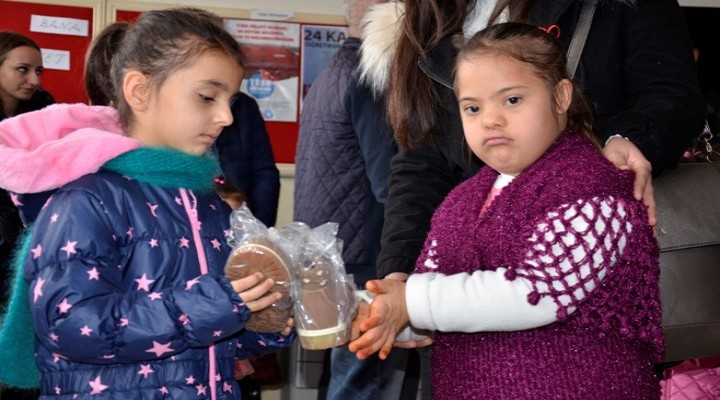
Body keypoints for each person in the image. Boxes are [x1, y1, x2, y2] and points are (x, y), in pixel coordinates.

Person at [357, 1, 704, 397]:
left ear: (561, 97)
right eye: (472, 107)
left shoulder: (586, 188)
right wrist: (393, 297)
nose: (490, 119)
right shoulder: (460, 203)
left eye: (512, 100)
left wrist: (416, 301)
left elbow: (537, 293)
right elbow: (421, 162)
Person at [0, 8, 294, 398]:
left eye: (231, 100)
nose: (225, 116)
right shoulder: (87, 200)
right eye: (207, 96)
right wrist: (213, 304)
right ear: (139, 91)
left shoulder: (210, 205)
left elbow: (215, 335)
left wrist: (262, 321)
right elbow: (69, 325)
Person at [294, 1, 419, 399]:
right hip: (367, 259)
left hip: (333, 253)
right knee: (368, 384)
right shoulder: (372, 75)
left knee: (345, 381)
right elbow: (391, 184)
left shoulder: (332, 71)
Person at [0, 31, 54, 400]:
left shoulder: (46, 114)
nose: (33, 80)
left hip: (29, 242)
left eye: (38, 70)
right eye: (22, 69)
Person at [214, 92, 280, 228]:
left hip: (242, 220)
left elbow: (264, 172)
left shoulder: (244, 105)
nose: (227, 119)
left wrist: (259, 227)